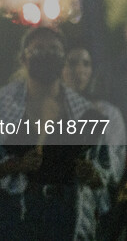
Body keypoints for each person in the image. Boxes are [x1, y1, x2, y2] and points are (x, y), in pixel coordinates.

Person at [0, 26, 107, 240]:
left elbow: (103, 173)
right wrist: (16, 165)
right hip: (9, 214)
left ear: (64, 58)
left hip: (62, 217)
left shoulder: (85, 113)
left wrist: (91, 174)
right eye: (39, 49)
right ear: (24, 58)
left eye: (54, 49)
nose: (47, 55)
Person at [62, 44, 127, 239]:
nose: (79, 70)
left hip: (95, 211)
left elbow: (115, 166)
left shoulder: (108, 113)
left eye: (86, 64)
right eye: (72, 63)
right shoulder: (48, 111)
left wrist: (96, 174)